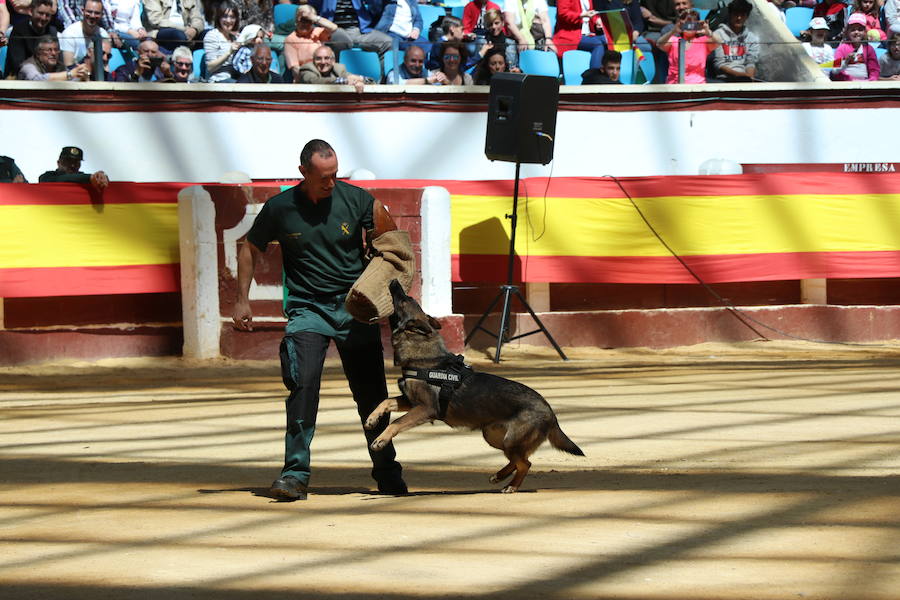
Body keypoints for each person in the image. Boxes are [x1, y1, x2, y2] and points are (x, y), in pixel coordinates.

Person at [232, 139, 407, 501]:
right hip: (307, 309)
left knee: (372, 396)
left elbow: (393, 246)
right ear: (303, 173)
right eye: (323, 177)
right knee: (302, 386)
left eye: (335, 175)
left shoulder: (358, 200)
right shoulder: (279, 208)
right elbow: (250, 247)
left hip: (354, 309)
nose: (331, 182)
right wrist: (241, 300)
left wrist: (385, 286)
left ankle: (387, 471)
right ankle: (294, 475)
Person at [283, 4, 347, 81]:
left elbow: (333, 28)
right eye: (302, 20)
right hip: (307, 77)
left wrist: (314, 17)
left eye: (308, 20)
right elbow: (295, 69)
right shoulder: (291, 39)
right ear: (296, 20)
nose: (305, 24)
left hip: (326, 73)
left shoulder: (317, 32)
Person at [308, 0, 393, 57]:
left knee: (388, 42)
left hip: (358, 31)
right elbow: (312, 6)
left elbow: (375, 6)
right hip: (332, 31)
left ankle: (382, 81)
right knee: (342, 38)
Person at [657, 9, 718, 83]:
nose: (689, 27)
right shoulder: (673, 40)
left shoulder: (703, 41)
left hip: (698, 85)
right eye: (686, 24)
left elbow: (718, 43)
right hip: (674, 84)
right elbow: (659, 44)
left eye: (692, 24)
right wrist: (673, 31)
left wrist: (708, 32)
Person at [4, 0, 57, 78]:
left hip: (48, 79)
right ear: (31, 11)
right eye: (40, 13)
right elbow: (18, 64)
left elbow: (58, 61)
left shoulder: (52, 31)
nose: (43, 18)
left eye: (47, 15)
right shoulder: (19, 30)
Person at [711, 0, 759, 82]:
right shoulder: (717, 34)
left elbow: (750, 62)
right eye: (736, 14)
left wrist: (750, 77)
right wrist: (741, 75)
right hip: (723, 79)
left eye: (742, 15)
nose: (739, 18)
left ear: (747, 17)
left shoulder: (752, 38)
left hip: (745, 79)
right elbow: (719, 64)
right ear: (730, 14)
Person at [58, 0, 110, 67]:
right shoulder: (70, 34)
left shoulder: (103, 34)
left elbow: (106, 66)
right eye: (89, 12)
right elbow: (68, 67)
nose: (92, 16)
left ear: (102, 15)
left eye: (97, 13)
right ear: (82, 11)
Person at [831, 11, 880, 80]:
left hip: (866, 84)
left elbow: (874, 69)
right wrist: (849, 79)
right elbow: (835, 70)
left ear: (865, 32)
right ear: (847, 32)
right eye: (853, 30)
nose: (856, 32)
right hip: (847, 84)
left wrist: (872, 80)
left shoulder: (868, 48)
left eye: (860, 30)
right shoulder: (842, 48)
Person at [297, 44, 367, 91]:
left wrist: (358, 81)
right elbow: (314, 81)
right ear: (313, 60)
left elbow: (370, 81)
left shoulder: (339, 69)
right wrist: (344, 81)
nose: (323, 62)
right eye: (318, 58)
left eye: (327, 58)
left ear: (333, 61)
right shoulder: (307, 68)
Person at [19, 33, 90, 79]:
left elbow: (73, 79)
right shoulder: (28, 66)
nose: (53, 53)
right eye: (49, 50)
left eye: (56, 50)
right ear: (38, 53)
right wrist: (70, 74)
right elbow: (37, 80)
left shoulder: (60, 66)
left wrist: (81, 75)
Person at [39, 146, 110, 190]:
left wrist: (101, 178)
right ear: (58, 162)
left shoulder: (85, 178)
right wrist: (91, 178)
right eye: (68, 161)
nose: (72, 165)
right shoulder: (47, 177)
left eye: (76, 162)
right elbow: (63, 179)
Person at [204, 1, 241, 82]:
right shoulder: (212, 35)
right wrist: (229, 53)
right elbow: (210, 67)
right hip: (219, 80)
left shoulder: (235, 37)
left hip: (236, 77)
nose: (228, 21)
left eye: (232, 17)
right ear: (219, 17)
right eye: (225, 16)